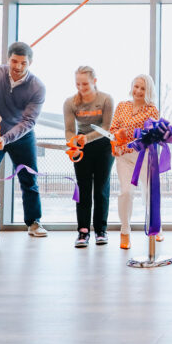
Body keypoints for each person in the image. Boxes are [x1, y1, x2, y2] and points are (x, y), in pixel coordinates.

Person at [0, 42, 47, 252]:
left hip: (21, 135)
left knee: (28, 178)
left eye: (23, 62)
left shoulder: (37, 87)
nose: (18, 66)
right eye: (14, 61)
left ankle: (34, 222)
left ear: (30, 62)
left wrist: (6, 138)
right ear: (8, 59)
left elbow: (29, 122)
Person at [63, 66, 114, 248]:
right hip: (81, 148)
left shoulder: (106, 99)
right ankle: (83, 231)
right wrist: (73, 144)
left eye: (85, 83)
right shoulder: (70, 102)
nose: (81, 87)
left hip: (103, 146)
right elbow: (69, 130)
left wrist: (87, 138)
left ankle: (101, 230)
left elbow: (107, 128)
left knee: (101, 189)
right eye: (78, 84)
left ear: (94, 81)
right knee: (83, 189)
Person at [109, 74, 160, 250]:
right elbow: (113, 128)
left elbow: (151, 135)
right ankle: (125, 230)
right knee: (125, 192)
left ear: (148, 91)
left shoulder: (152, 110)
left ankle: (155, 226)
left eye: (142, 88)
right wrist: (118, 139)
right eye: (136, 86)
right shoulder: (122, 106)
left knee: (149, 193)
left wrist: (135, 142)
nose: (138, 91)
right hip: (124, 157)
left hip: (143, 156)